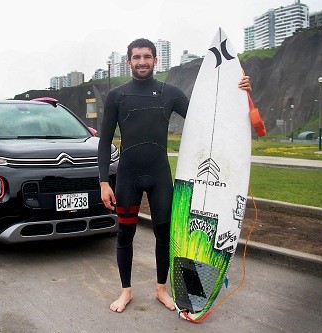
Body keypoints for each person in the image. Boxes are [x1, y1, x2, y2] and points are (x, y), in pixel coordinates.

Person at [97, 38, 252, 313]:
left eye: (147, 56)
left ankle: (161, 289)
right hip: (127, 177)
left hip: (159, 177)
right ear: (129, 61)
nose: (142, 61)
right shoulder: (117, 96)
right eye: (136, 57)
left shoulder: (170, 93)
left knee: (164, 234)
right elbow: (104, 140)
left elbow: (207, 118)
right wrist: (103, 182)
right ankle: (126, 291)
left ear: (156, 60)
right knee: (125, 234)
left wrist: (239, 92)